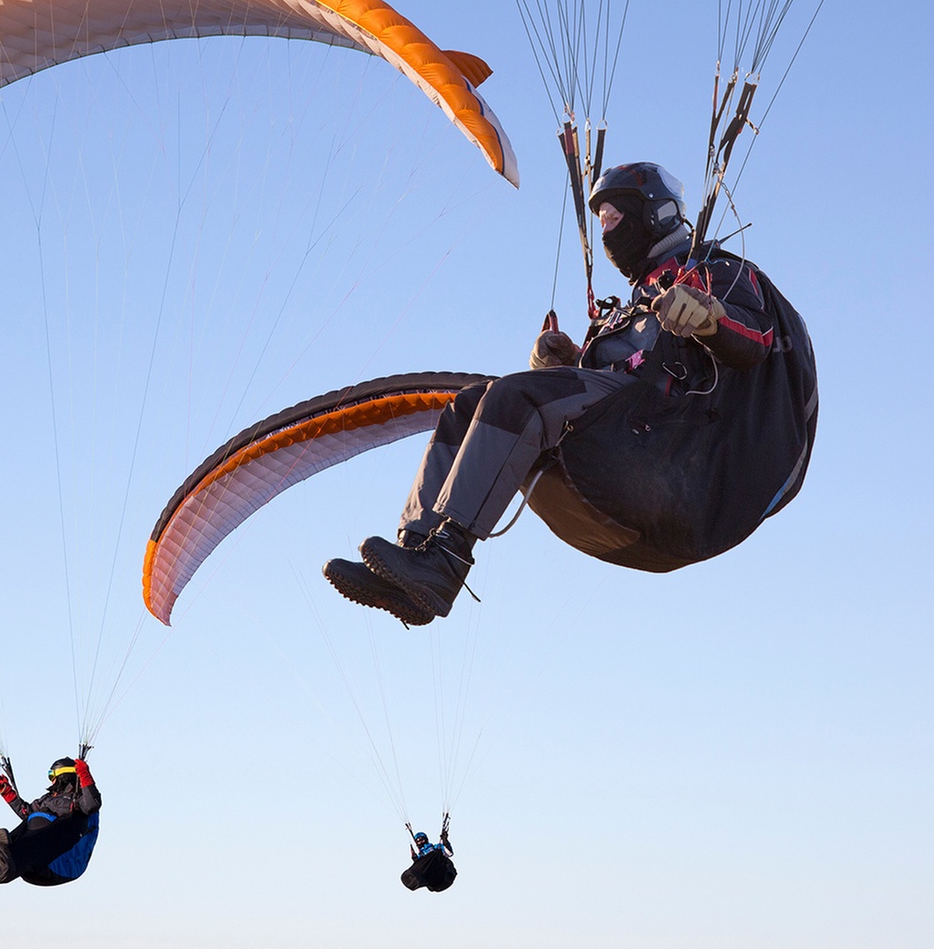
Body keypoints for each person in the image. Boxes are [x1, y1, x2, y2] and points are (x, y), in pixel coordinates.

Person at [325, 162, 780, 624]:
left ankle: (446, 560)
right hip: (621, 437)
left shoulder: (715, 270)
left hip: (669, 452)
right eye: (600, 219)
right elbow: (619, 377)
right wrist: (570, 363)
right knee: (469, 405)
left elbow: (757, 338)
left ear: (655, 214)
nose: (606, 228)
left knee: (512, 398)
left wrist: (710, 318)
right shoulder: (631, 306)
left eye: (615, 215)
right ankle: (415, 556)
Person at [0, 756, 102, 886]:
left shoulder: (77, 800)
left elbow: (92, 805)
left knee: (40, 821)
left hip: (62, 861)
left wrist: (84, 775)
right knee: (32, 819)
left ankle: (6, 855)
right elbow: (26, 812)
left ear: (64, 775)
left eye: (52, 775)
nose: (51, 780)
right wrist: (8, 793)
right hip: (38, 860)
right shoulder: (47, 799)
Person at [401, 827, 457, 892]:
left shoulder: (436, 847)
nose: (420, 842)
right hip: (433, 879)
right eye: (418, 841)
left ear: (426, 839)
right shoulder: (421, 856)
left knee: (433, 855)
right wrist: (415, 859)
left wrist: (445, 841)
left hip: (442, 871)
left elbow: (449, 853)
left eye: (421, 840)